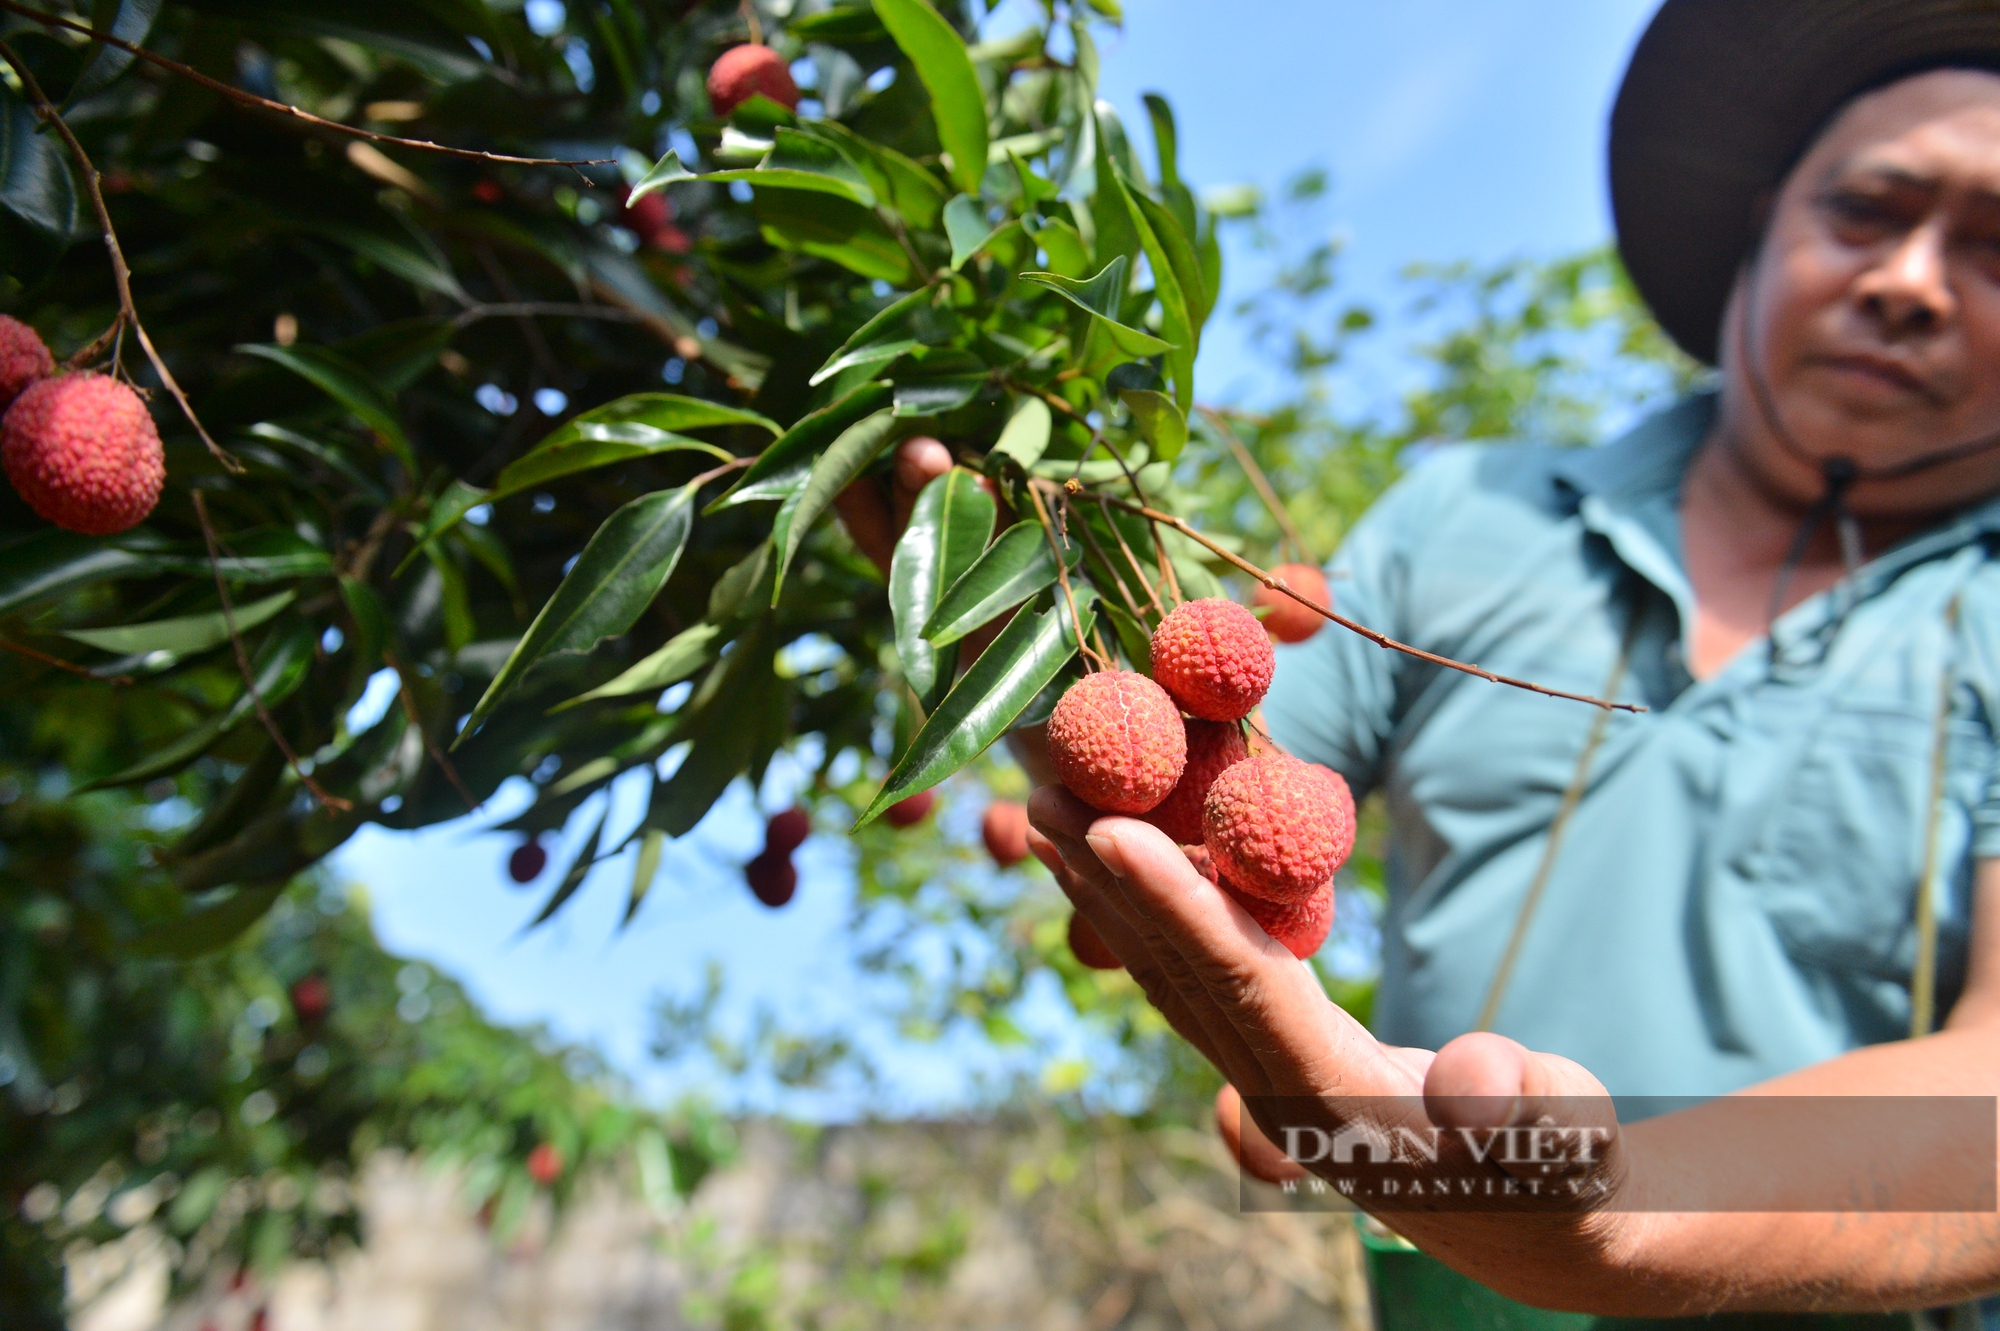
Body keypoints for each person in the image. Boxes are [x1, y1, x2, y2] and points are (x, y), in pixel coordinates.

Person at [841, 0, 2000, 1322]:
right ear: (1762, 227)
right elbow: (1205, 811)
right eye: (1868, 209)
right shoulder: (1471, 520)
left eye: (1999, 250)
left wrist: (1638, 1219)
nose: (1911, 281)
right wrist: (1024, 624)